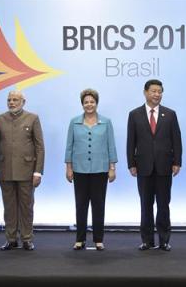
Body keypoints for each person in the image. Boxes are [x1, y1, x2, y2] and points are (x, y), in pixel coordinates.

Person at [126, 79, 182, 251]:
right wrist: (131, 163)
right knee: (145, 205)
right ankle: (147, 241)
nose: (157, 94)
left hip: (165, 166)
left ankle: (164, 240)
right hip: (143, 167)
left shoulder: (170, 114)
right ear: (145, 92)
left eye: (160, 91)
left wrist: (177, 162)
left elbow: (176, 140)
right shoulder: (134, 114)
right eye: (154, 91)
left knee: (164, 204)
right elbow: (131, 141)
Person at [0, 90, 45, 251]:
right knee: (9, 207)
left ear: (23, 102)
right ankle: (11, 239)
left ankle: (27, 238)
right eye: (9, 100)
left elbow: (40, 147)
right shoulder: (0, 119)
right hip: (5, 170)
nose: (11, 102)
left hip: (27, 171)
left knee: (26, 206)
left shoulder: (33, 118)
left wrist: (38, 171)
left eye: (15, 99)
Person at [65, 89, 118, 251]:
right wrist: (69, 167)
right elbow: (69, 146)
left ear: (96, 103)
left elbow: (111, 146)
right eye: (86, 102)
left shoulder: (106, 122)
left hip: (100, 170)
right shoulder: (74, 122)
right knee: (80, 205)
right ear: (82, 104)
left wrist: (112, 167)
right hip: (79, 169)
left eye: (92, 102)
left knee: (98, 204)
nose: (89, 104)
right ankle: (80, 239)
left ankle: (98, 239)